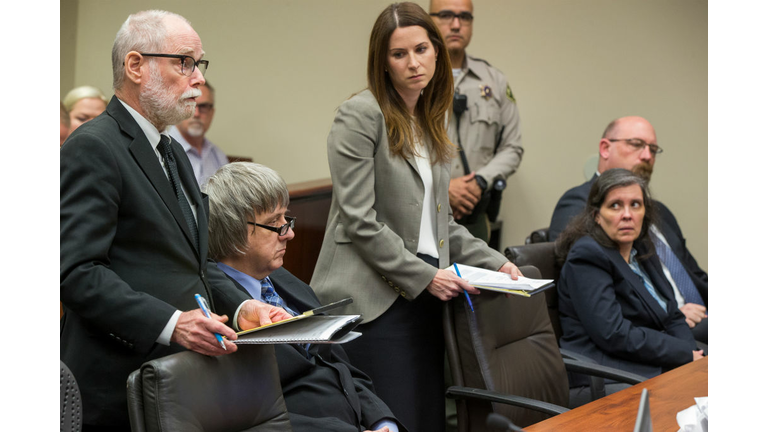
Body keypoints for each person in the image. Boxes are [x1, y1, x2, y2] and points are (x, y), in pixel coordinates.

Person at [60, 11, 291, 430]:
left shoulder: (171, 152)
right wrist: (171, 324)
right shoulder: (93, 146)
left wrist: (243, 307)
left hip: (183, 384)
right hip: (119, 388)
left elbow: (195, 264)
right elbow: (77, 272)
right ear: (135, 66)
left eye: (199, 64)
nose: (198, 78)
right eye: (184, 63)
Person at [310, 3, 521, 431]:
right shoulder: (360, 114)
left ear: (437, 52)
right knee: (395, 418)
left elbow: (440, 225)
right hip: (373, 298)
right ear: (382, 63)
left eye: (421, 49)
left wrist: (494, 261)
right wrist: (426, 277)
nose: (413, 63)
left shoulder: (429, 118)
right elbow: (358, 220)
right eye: (398, 54)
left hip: (424, 290)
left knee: (427, 415)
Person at [205, 162, 404, 432]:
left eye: (286, 219)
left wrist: (383, 421)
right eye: (274, 224)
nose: (290, 233)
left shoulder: (288, 283)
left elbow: (342, 367)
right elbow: (247, 417)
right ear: (232, 230)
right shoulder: (218, 314)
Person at [548, 116, 708, 343]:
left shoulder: (659, 211)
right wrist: (663, 314)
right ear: (605, 148)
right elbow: (588, 285)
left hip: (687, 317)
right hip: (650, 330)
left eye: (653, 149)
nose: (647, 155)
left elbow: (694, 273)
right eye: (636, 144)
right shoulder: (578, 202)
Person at [555, 168, 703, 404]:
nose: (627, 214)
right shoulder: (587, 255)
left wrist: (690, 355)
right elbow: (614, 334)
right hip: (605, 373)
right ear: (596, 215)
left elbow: (672, 314)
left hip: (643, 361)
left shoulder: (641, 248)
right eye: (615, 205)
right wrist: (683, 354)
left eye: (635, 204)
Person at [429, 0, 523, 242]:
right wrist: (442, 186)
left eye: (465, 17)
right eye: (447, 15)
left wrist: (480, 182)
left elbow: (512, 147)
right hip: (424, 212)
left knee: (479, 279)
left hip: (475, 214)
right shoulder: (416, 77)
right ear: (430, 20)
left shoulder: (494, 81)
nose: (457, 25)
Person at [169, 81, 229, 186]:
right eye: (190, 103)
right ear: (177, 107)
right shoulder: (161, 150)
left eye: (203, 106)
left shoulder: (218, 156)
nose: (196, 113)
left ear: (212, 113)